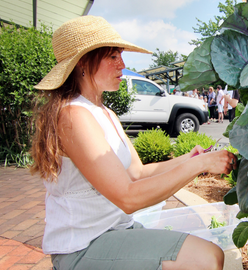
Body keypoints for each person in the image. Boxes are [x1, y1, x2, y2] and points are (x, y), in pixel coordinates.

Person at [29, 15, 236, 270]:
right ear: (83, 61)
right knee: (206, 258)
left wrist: (192, 159)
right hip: (83, 246)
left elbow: (137, 173)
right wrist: (200, 165)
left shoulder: (105, 113)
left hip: (115, 232)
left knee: (207, 255)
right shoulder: (73, 116)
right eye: (113, 56)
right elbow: (128, 197)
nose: (122, 64)